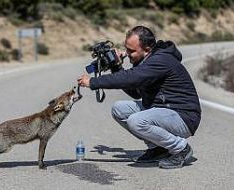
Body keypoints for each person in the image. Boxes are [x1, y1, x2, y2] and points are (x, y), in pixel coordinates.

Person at [77, 26, 201, 169]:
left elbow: (130, 78)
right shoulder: (146, 61)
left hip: (183, 116)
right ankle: (158, 148)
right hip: (163, 110)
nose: (126, 54)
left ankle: (181, 149)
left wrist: (93, 82)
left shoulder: (160, 60)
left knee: (136, 121)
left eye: (131, 51)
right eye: (126, 49)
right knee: (119, 109)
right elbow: (136, 92)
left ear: (147, 49)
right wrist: (117, 66)